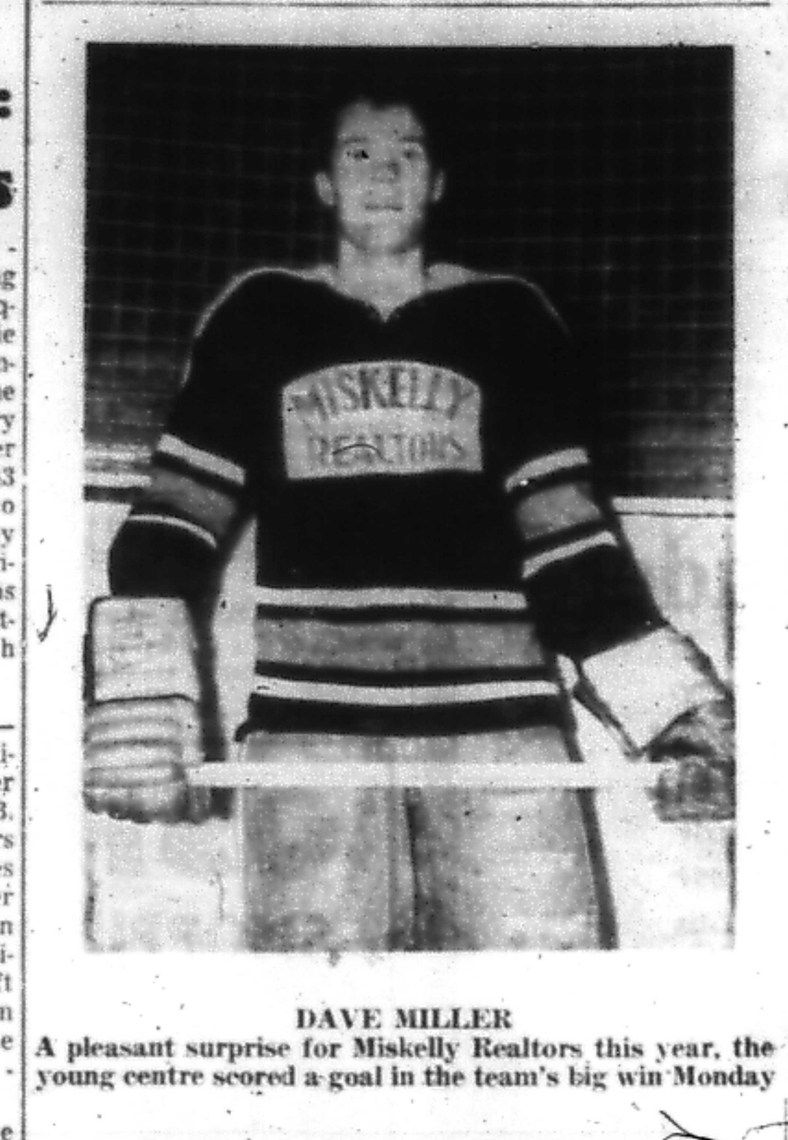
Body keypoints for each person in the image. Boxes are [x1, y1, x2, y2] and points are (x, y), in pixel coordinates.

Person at [84, 77, 734, 952]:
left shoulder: (507, 319)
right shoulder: (260, 318)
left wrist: (674, 720)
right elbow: (173, 522)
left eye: (407, 155)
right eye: (359, 155)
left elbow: (568, 540)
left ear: (437, 183)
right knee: (315, 1028)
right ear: (323, 184)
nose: (383, 175)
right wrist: (142, 708)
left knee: (537, 1014)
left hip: (502, 737)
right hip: (311, 736)